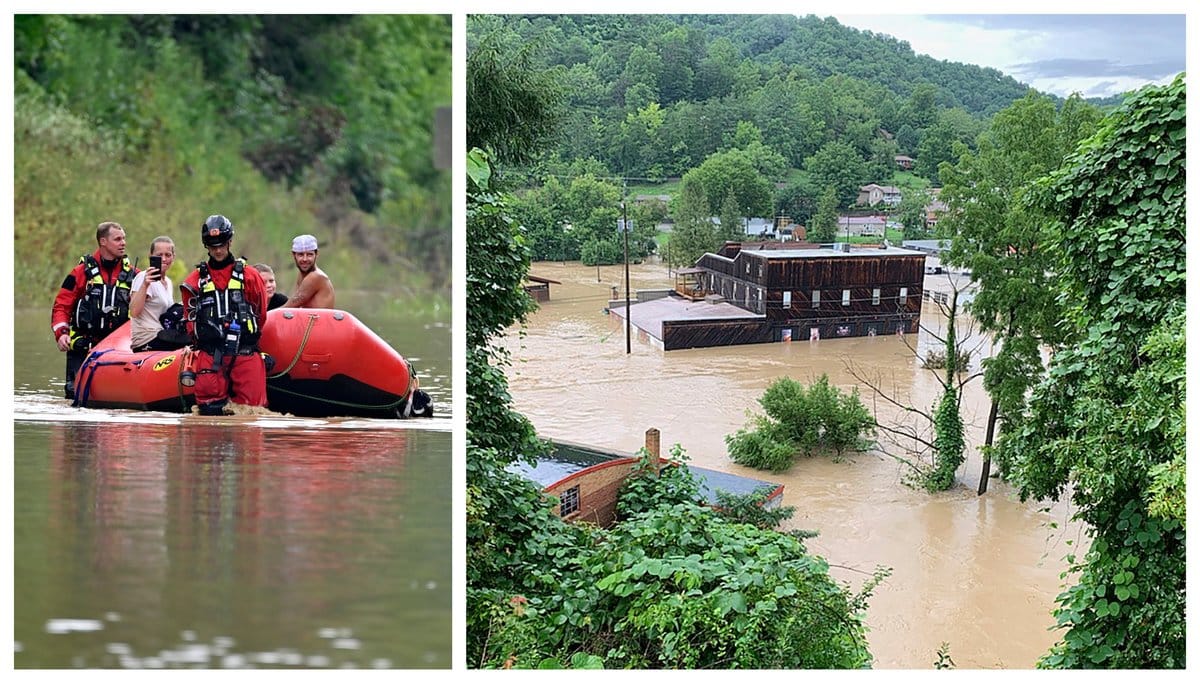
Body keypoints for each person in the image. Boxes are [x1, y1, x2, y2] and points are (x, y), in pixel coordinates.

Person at [180, 214, 270, 415]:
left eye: (221, 244)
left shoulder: (250, 276)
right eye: (213, 246)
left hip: (245, 353)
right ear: (206, 246)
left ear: (230, 242)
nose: (218, 250)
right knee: (207, 417)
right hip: (210, 356)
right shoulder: (194, 281)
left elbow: (261, 315)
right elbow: (190, 320)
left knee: (251, 415)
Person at [51, 221, 139, 399]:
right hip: (83, 346)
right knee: (74, 393)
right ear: (103, 242)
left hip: (118, 350)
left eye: (124, 238)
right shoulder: (80, 272)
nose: (123, 243)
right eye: (118, 239)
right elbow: (61, 305)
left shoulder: (134, 274)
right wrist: (61, 333)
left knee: (117, 397)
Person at [129, 236, 188, 351]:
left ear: (173, 257)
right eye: (159, 255)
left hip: (162, 334)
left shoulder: (168, 282)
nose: (164, 259)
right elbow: (134, 312)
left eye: (168, 255)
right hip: (146, 338)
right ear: (151, 256)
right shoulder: (143, 277)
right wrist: (145, 285)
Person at [282, 234, 335, 308]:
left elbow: (287, 308)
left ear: (316, 254)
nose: (305, 259)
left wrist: (266, 315)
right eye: (300, 255)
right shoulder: (301, 275)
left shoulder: (316, 277)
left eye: (309, 255)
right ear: (294, 255)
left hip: (319, 319)